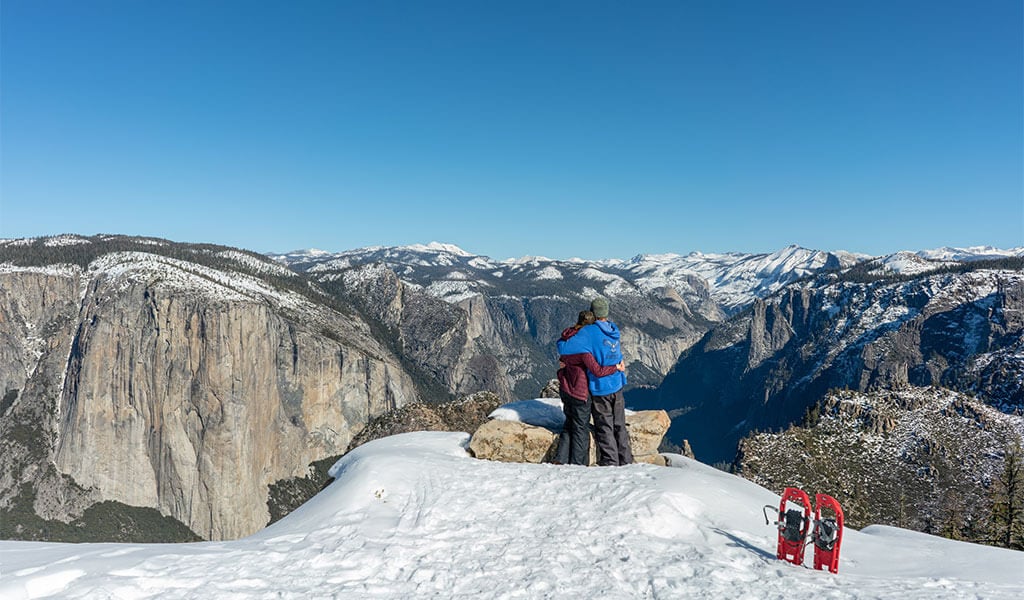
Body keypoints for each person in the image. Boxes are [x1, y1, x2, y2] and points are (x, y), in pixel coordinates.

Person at [557, 297, 633, 466]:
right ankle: (626, 461)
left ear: (592, 312)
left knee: (605, 426)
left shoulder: (589, 332)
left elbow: (563, 348)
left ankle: (611, 463)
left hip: (601, 388)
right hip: (617, 384)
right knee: (619, 424)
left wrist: (567, 361)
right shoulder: (613, 329)